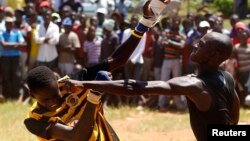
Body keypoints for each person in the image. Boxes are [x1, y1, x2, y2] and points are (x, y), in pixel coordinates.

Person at [24, 0, 171, 140]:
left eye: (55, 95)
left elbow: (116, 60)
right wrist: (94, 94)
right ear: (32, 95)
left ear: (57, 83)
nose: (52, 102)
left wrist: (144, 23)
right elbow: (78, 137)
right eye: (45, 99)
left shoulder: (74, 83)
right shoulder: (35, 120)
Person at [73, 32, 240, 141]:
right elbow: (234, 120)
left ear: (214, 55)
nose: (195, 45)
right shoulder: (226, 78)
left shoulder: (194, 84)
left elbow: (135, 87)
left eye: (202, 44)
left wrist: (82, 83)